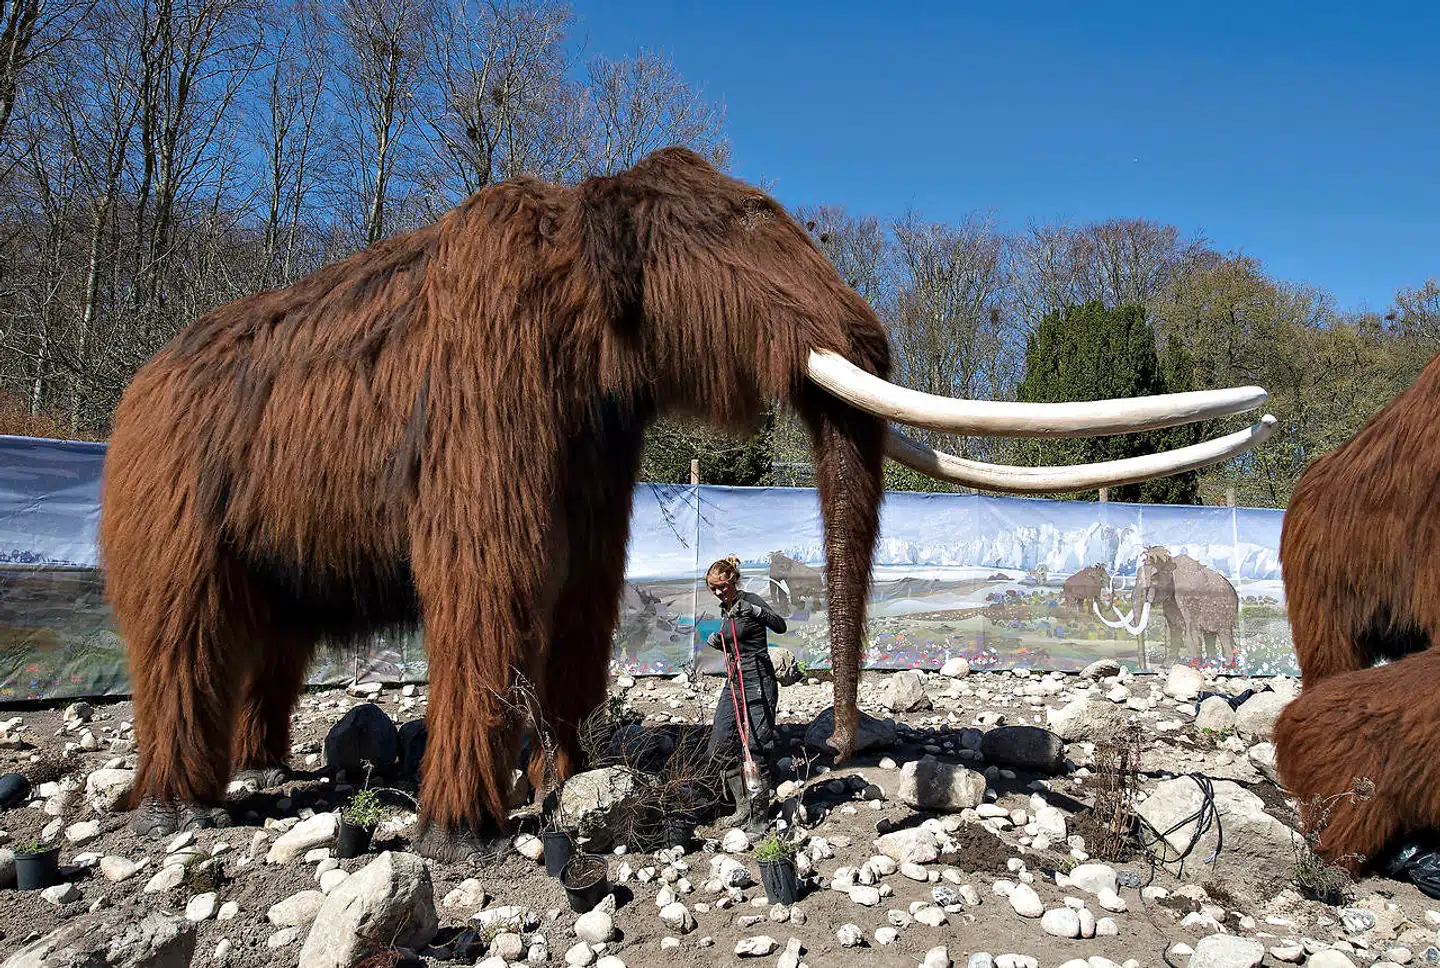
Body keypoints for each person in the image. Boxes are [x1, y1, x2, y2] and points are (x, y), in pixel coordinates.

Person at [702, 555, 787, 835]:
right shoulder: (726, 610)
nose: (718, 592)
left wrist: (757, 612)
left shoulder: (749, 601)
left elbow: (779, 625)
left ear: (733, 580)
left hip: (758, 679)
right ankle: (742, 808)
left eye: (722, 586)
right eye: (713, 588)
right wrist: (719, 642)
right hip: (734, 680)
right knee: (720, 746)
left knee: (756, 748)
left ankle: (759, 818)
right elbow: (736, 640)